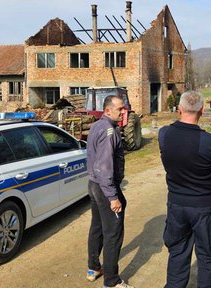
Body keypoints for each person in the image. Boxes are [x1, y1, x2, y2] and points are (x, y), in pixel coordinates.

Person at [159, 90, 211, 288]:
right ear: (203, 111)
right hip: (203, 207)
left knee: (178, 253)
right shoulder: (209, 141)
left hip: (177, 205)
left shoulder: (164, 134)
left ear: (179, 109)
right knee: (208, 257)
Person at [86, 95, 133, 288]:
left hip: (94, 184)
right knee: (113, 233)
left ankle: (94, 268)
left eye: (124, 109)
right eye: (120, 109)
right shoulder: (108, 132)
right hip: (104, 187)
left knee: (97, 226)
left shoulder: (97, 125)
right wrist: (113, 197)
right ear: (107, 111)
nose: (124, 112)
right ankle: (112, 281)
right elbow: (104, 167)